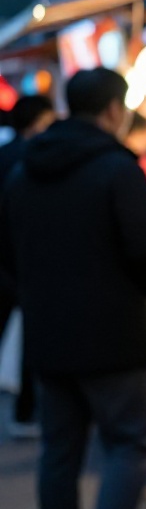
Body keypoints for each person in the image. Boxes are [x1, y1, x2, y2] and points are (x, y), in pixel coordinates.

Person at [0, 68, 146, 509]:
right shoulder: (118, 169)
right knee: (129, 442)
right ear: (115, 110)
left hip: (47, 335)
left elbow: (6, 255)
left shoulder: (25, 171)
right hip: (113, 334)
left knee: (59, 451)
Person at [0, 94, 58, 433]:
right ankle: (26, 410)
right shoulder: (35, 160)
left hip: (9, 260)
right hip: (23, 260)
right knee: (30, 340)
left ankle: (27, 410)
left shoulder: (6, 155)